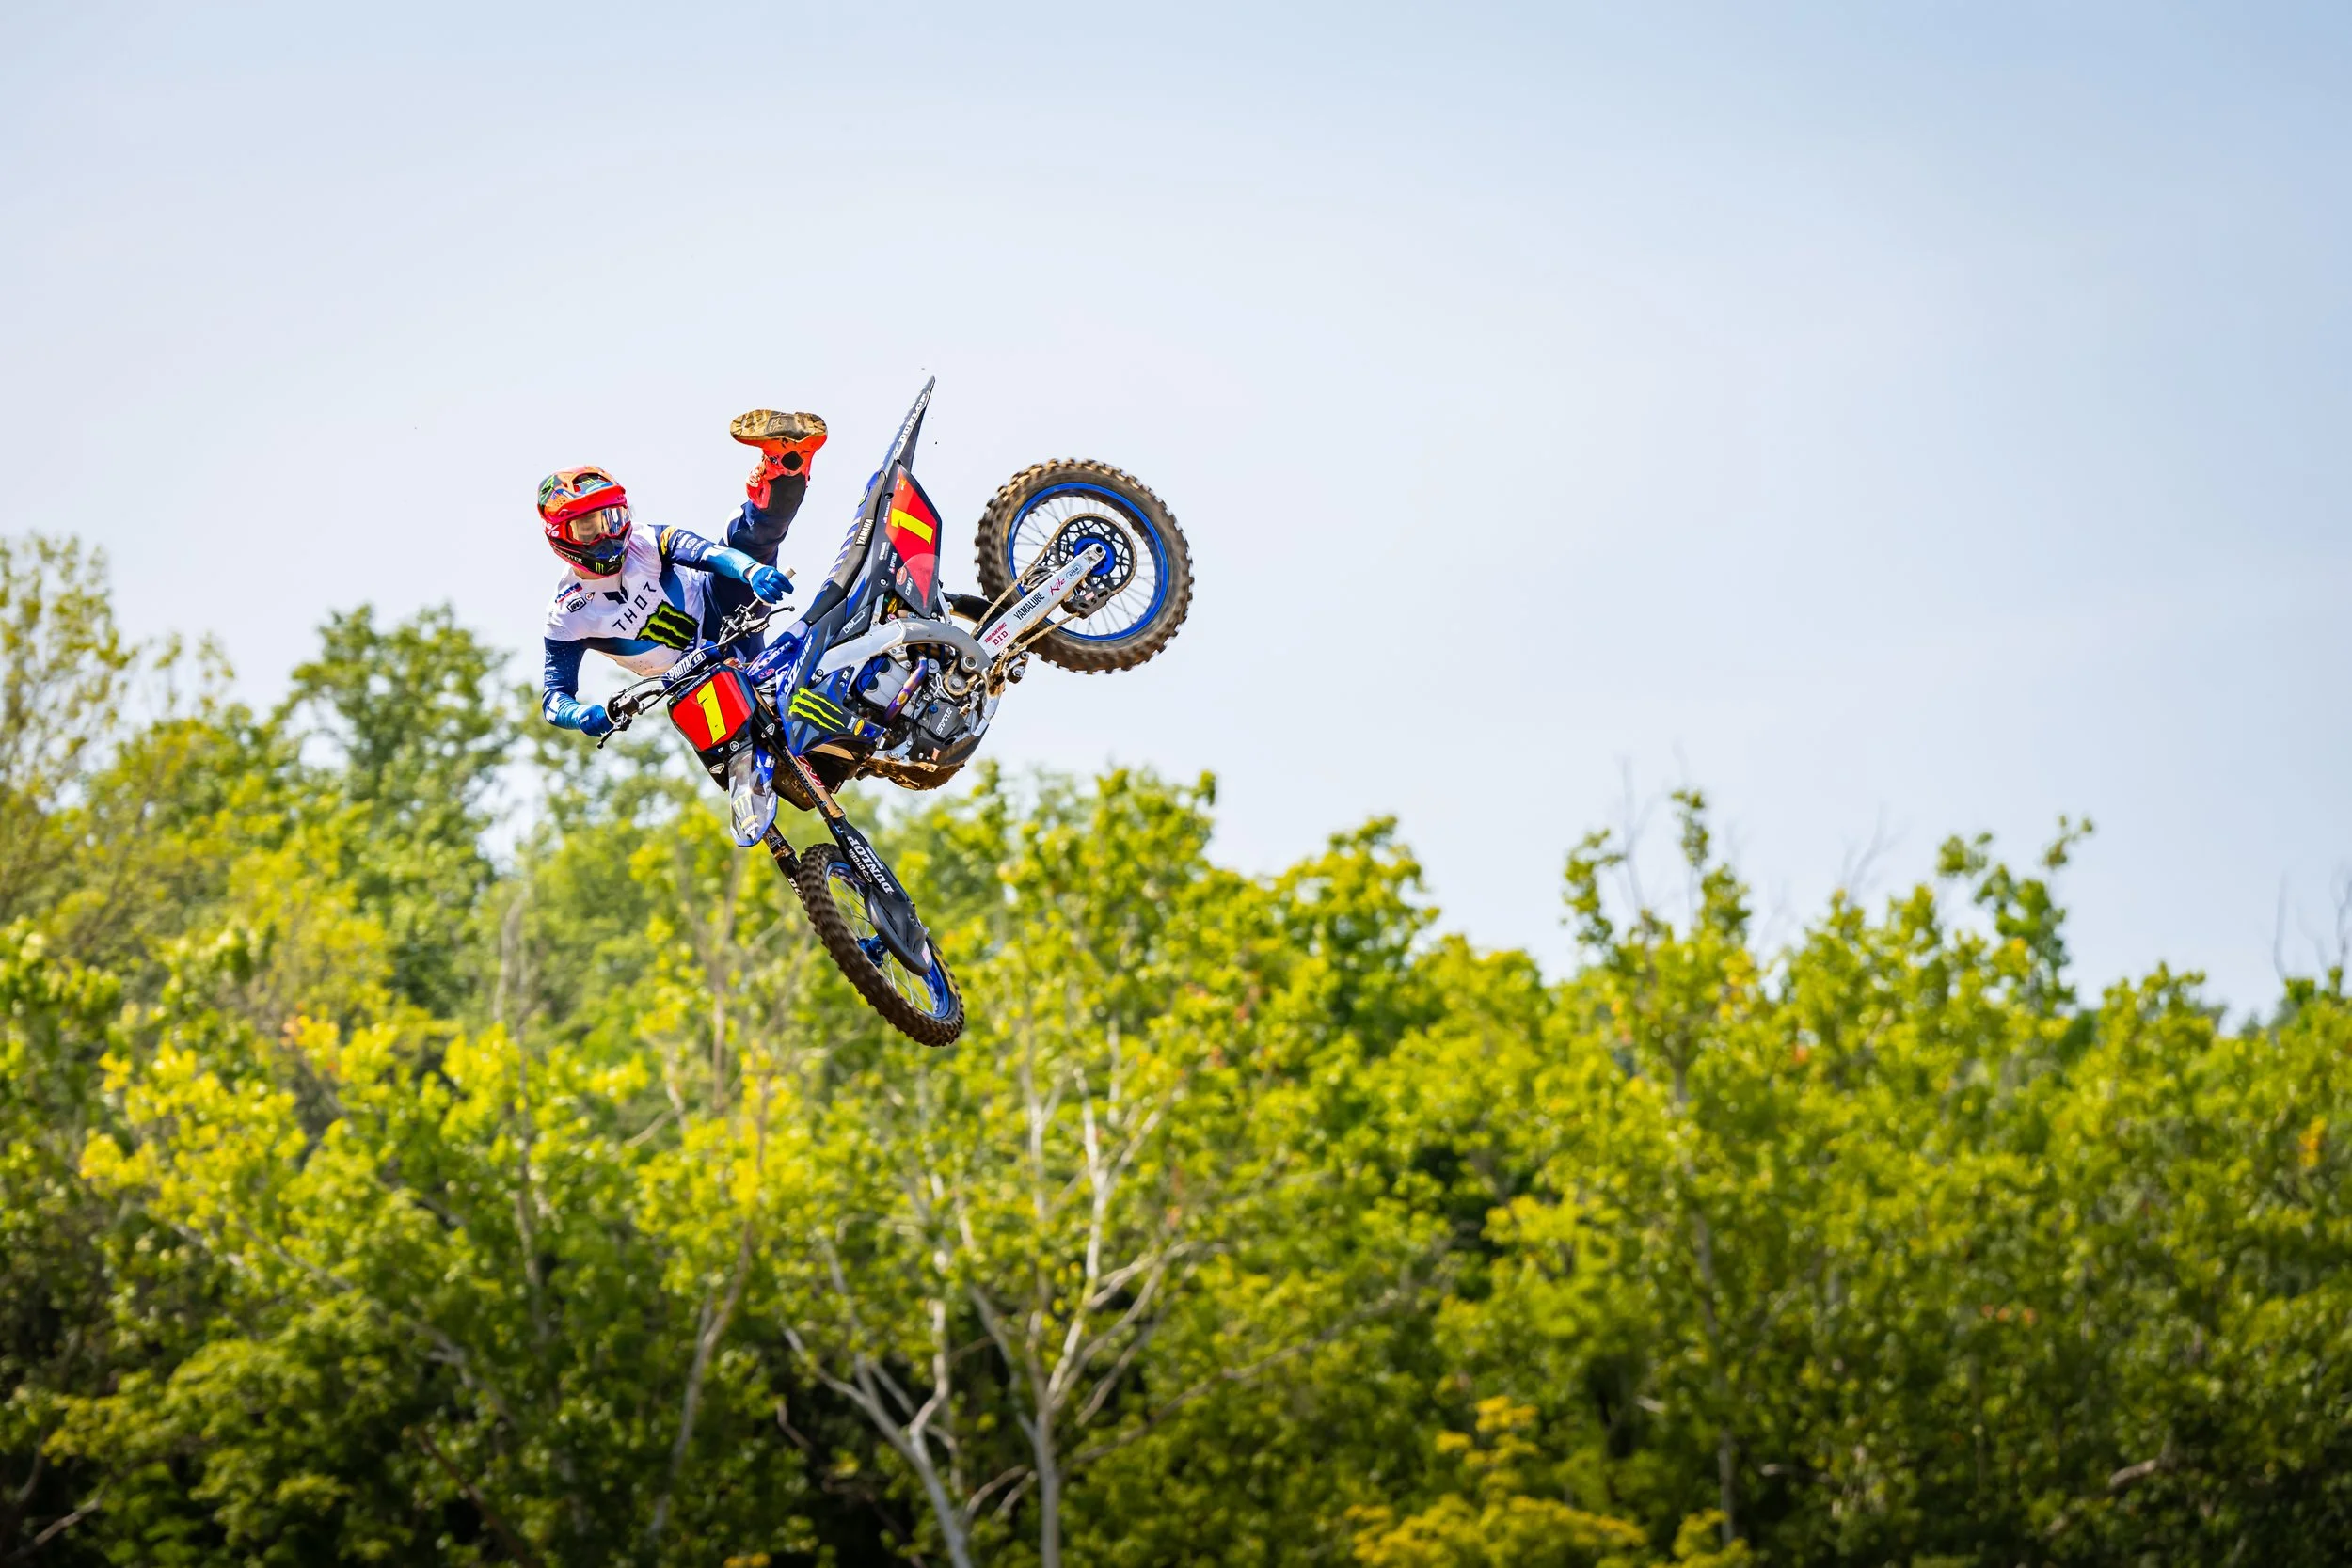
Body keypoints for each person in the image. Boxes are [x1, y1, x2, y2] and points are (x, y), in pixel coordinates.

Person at [537, 410, 828, 738]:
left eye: (613, 519)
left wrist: (751, 569)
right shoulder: (565, 614)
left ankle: (786, 465)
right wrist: (578, 714)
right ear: (560, 537)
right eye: (589, 528)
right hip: (690, 680)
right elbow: (554, 697)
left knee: (748, 537)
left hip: (725, 610)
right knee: (739, 745)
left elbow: (710, 553)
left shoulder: (646, 539)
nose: (608, 535)